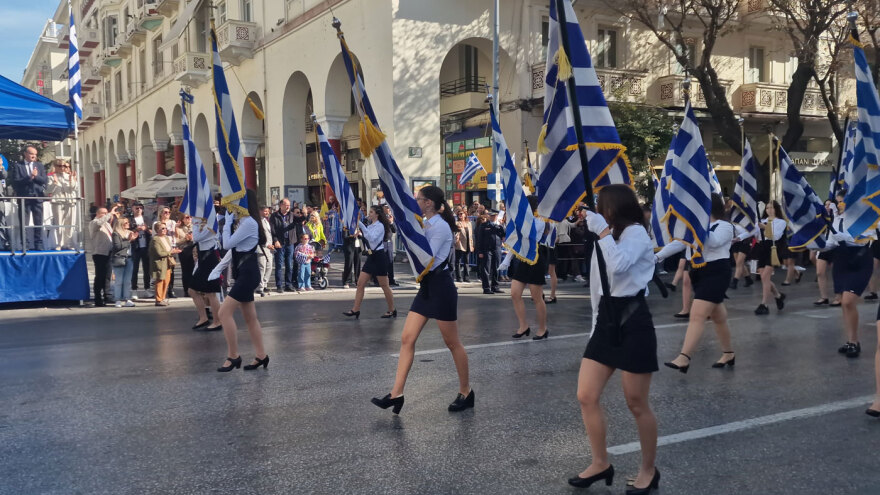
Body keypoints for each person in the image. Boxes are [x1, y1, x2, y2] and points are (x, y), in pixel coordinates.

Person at [569, 185, 659, 493]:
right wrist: (596, 325)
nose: (596, 211)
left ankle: (649, 469)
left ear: (614, 207)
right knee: (586, 395)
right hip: (607, 318)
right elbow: (599, 285)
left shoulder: (635, 234)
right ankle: (600, 462)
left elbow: (619, 266)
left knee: (636, 402)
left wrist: (603, 233)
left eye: (601, 206)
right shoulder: (607, 238)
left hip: (633, 319)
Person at [371, 186, 472, 414]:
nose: (416, 201)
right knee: (407, 338)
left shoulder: (441, 227)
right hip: (427, 287)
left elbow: (428, 259)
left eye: (419, 199)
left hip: (441, 286)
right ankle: (396, 394)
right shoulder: (426, 224)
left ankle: (466, 391)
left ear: (429, 203)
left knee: (452, 343)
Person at [658, 194, 736, 373]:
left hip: (717, 272)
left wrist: (698, 227)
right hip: (699, 271)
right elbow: (680, 244)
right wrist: (657, 256)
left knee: (697, 315)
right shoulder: (696, 227)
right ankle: (729, 353)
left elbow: (714, 242)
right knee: (719, 317)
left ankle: (684, 357)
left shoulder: (725, 226)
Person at [211, 189, 270, 372]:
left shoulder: (249, 223)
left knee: (223, 313)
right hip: (244, 271)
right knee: (250, 318)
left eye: (237, 201)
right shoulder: (245, 222)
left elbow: (227, 244)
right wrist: (217, 269)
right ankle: (261, 355)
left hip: (248, 273)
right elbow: (232, 251)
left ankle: (233, 355)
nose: (233, 205)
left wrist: (227, 223)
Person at [501, 196, 549, 340]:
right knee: (515, 293)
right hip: (523, 257)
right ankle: (523, 326)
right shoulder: (523, 220)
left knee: (537, 297)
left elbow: (528, 234)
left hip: (535, 257)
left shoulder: (541, 220)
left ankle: (542, 328)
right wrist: (507, 260)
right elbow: (517, 241)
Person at [827, 212, 873, 359]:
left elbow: (865, 238)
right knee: (844, 303)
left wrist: (845, 238)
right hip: (842, 260)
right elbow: (831, 243)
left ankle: (854, 341)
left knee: (848, 301)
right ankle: (850, 340)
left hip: (859, 258)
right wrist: (815, 245)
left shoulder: (864, 216)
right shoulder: (836, 220)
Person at [344, 205, 396, 318]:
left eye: (371, 212)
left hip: (379, 257)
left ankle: (392, 309)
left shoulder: (380, 226)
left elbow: (372, 238)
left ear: (377, 214)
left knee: (384, 285)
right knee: (360, 284)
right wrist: (361, 232)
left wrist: (361, 225)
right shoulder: (371, 226)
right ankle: (355, 309)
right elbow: (368, 238)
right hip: (371, 257)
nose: (369, 214)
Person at [753, 200, 788, 315]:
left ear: (776, 209)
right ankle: (778, 296)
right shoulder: (762, 221)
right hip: (762, 248)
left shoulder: (781, 222)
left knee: (765, 276)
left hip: (773, 249)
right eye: (767, 208)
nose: (769, 210)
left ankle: (764, 304)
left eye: (771, 207)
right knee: (764, 277)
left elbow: (776, 236)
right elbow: (753, 233)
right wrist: (739, 237)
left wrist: (765, 227)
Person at [10, 145, 47, 250]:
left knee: (38, 222)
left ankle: (38, 244)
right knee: (23, 223)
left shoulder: (39, 165)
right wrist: (29, 177)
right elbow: (16, 182)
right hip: (24, 199)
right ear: (25, 154)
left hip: (37, 198)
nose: (33, 156)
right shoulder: (18, 166)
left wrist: (35, 176)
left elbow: (44, 180)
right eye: (31, 154)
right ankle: (25, 244)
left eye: (35, 154)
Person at [188, 218, 222, 331]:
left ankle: (218, 321)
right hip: (203, 256)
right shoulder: (200, 221)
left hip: (209, 256)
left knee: (210, 292)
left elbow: (196, 237)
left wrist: (195, 225)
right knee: (192, 290)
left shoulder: (211, 222)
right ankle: (203, 318)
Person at [47, 159, 78, 250]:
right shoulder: (51, 177)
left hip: (70, 201)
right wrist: (55, 183)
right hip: (58, 201)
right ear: (55, 166)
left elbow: (74, 188)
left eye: (64, 166)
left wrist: (71, 179)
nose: (62, 168)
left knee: (70, 222)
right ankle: (60, 243)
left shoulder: (69, 176)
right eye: (59, 166)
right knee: (59, 223)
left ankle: (68, 243)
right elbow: (48, 191)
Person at [149, 221, 180, 306]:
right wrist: (171, 252)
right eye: (162, 228)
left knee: (166, 280)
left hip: (167, 262)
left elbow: (168, 249)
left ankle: (163, 298)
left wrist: (173, 251)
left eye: (165, 228)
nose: (164, 230)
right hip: (159, 263)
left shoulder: (166, 238)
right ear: (157, 230)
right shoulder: (155, 239)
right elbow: (159, 253)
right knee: (160, 280)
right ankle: (158, 299)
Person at [88, 207, 114, 306]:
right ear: (98, 214)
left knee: (108, 276)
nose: (106, 215)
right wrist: (110, 214)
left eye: (107, 213)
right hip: (99, 253)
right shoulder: (94, 223)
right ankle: (98, 298)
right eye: (104, 213)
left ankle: (107, 295)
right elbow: (99, 223)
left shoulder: (107, 224)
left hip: (108, 252)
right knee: (100, 276)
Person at [110, 216, 138, 307]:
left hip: (129, 258)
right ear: (121, 224)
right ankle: (117, 299)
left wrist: (134, 240)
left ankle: (127, 298)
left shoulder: (130, 232)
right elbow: (117, 246)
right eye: (126, 223)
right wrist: (129, 240)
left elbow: (135, 247)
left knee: (127, 281)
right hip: (119, 258)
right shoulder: (116, 234)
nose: (128, 224)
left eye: (128, 222)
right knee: (119, 280)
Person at [270, 199, 297, 292]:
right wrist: (275, 240)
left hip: (290, 243)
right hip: (280, 243)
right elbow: (272, 230)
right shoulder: (274, 216)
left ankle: (288, 284)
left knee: (289, 265)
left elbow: (300, 221)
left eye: (289, 205)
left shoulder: (292, 215)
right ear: (281, 205)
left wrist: (304, 215)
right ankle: (279, 286)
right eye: (286, 205)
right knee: (279, 265)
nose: (288, 207)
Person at [475, 209, 504, 294]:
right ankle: (486, 287)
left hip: (497, 249)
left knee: (496, 268)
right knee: (486, 269)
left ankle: (495, 286)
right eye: (491, 216)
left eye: (494, 216)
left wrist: (501, 225)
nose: (493, 217)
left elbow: (504, 234)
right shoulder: (484, 225)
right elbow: (479, 239)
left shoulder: (499, 226)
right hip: (486, 249)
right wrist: (480, 251)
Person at [128, 204, 152, 297]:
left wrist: (146, 229)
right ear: (133, 209)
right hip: (135, 246)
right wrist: (135, 229)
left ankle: (147, 288)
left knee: (147, 269)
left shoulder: (146, 219)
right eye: (136, 208)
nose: (139, 210)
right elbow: (127, 231)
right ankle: (134, 289)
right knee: (135, 269)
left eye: (141, 208)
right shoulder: (130, 220)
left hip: (146, 246)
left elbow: (151, 231)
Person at [159, 207, 178, 298]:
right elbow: (155, 235)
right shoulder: (157, 223)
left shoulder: (173, 222)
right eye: (165, 212)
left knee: (171, 270)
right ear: (161, 213)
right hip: (162, 247)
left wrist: (176, 228)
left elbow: (176, 235)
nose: (167, 214)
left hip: (171, 247)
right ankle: (162, 290)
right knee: (162, 270)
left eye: (169, 212)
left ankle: (170, 289)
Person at [257, 206, 275, 297]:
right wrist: (267, 244)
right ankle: (260, 287)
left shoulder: (266, 221)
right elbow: (260, 235)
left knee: (269, 267)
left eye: (268, 211)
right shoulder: (258, 221)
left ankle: (264, 284)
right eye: (265, 211)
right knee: (262, 268)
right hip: (261, 248)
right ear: (260, 211)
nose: (267, 213)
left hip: (269, 248)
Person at [176, 215, 195, 296]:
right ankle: (186, 290)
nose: (189, 219)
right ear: (182, 219)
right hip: (184, 250)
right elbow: (176, 241)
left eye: (190, 217)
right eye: (187, 217)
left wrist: (192, 238)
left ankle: (194, 289)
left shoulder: (195, 227)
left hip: (194, 250)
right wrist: (185, 238)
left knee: (194, 270)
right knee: (186, 271)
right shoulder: (179, 229)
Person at [454, 209, 473, 282]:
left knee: (466, 261)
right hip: (460, 244)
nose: (460, 215)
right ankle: (459, 277)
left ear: (465, 214)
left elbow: (471, 235)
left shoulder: (469, 223)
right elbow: (456, 233)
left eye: (462, 213)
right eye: (459, 214)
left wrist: (472, 244)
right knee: (458, 261)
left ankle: (466, 277)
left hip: (468, 244)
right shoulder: (457, 223)